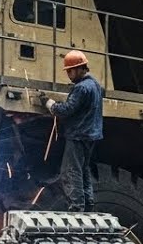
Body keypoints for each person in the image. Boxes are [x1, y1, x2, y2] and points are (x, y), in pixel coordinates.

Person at [38, 50, 104, 211]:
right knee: (83, 171)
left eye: (70, 70)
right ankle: (88, 205)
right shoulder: (95, 85)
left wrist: (49, 103)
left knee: (70, 172)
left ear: (80, 68)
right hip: (91, 135)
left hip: (78, 135)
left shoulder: (81, 88)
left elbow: (66, 110)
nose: (68, 74)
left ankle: (76, 207)